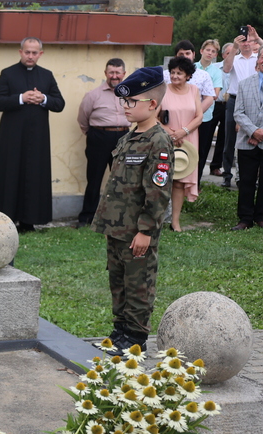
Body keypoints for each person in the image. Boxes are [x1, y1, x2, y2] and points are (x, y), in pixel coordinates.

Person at [91, 67, 173, 354]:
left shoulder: (158, 140)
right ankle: (120, 330)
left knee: (138, 283)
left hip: (137, 230)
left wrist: (146, 230)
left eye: (131, 101)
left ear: (152, 104)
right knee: (119, 281)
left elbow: (158, 191)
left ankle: (136, 337)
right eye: (124, 101)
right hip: (117, 227)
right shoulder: (128, 137)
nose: (125, 106)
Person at [0, 37, 65, 233]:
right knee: (10, 174)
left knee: (34, 175)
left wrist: (43, 98)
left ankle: (29, 222)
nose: (30, 56)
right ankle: (6, 218)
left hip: (38, 138)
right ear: (20, 52)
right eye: (27, 52)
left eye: (34, 53)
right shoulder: (8, 73)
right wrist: (22, 98)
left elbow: (59, 104)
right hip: (11, 137)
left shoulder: (47, 75)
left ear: (40, 54)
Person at [76, 58, 128, 228]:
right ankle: (87, 217)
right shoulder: (93, 95)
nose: (114, 76)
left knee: (121, 179)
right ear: (106, 73)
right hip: (99, 137)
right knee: (94, 178)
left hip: (123, 137)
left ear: (124, 74)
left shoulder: (130, 94)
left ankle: (118, 216)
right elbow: (83, 119)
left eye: (118, 72)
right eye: (111, 72)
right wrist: (93, 134)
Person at [231, 43, 263, 230]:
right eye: (262, 57)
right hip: (246, 141)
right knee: (246, 180)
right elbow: (238, 113)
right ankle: (245, 218)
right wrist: (253, 131)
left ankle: (261, 217)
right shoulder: (244, 83)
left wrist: (261, 133)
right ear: (258, 60)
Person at [221, 25, 263, 188]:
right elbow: (226, 68)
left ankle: (250, 176)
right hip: (235, 99)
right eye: (243, 41)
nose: (246, 43)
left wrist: (258, 39)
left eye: (249, 41)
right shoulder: (235, 57)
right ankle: (227, 174)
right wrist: (234, 47)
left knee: (254, 135)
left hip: (256, 100)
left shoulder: (259, 58)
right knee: (230, 139)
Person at [160, 56, 202, 232]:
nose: (175, 76)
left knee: (179, 181)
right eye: (173, 72)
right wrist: (172, 133)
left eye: (179, 73)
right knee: (160, 179)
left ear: (188, 76)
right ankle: (156, 219)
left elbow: (199, 116)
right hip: (165, 139)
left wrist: (183, 131)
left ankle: (175, 221)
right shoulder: (162, 89)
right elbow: (153, 118)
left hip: (188, 140)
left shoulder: (194, 90)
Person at [195, 39, 224, 178]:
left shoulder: (217, 72)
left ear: (216, 55)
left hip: (206, 116)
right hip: (188, 114)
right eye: (208, 50)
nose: (210, 53)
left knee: (202, 149)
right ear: (201, 51)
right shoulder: (192, 67)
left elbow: (215, 94)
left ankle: (197, 181)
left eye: (213, 51)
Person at [208, 42, 232, 177]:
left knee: (223, 137)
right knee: (207, 133)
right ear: (223, 55)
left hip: (229, 105)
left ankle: (216, 166)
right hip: (215, 104)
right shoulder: (215, 68)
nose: (231, 55)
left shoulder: (237, 68)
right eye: (229, 53)